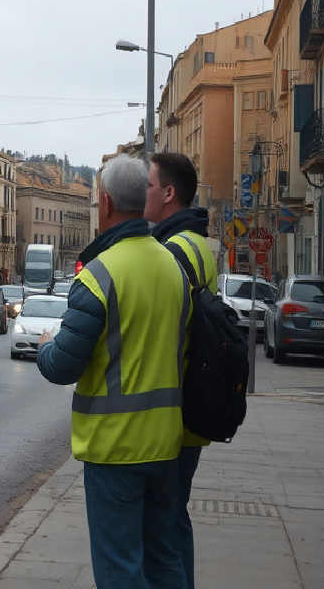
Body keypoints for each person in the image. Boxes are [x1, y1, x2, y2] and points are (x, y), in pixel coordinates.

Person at [36, 154, 191, 588]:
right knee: (166, 560)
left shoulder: (99, 275)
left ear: (104, 203)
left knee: (119, 568)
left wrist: (45, 348)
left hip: (115, 448)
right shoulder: (174, 267)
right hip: (166, 441)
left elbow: (62, 366)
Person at [145, 152, 217, 589]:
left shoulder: (175, 251)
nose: (144, 193)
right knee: (174, 520)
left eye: (149, 185)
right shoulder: (195, 243)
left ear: (169, 193)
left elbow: (164, 333)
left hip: (175, 414)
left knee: (161, 532)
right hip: (189, 409)